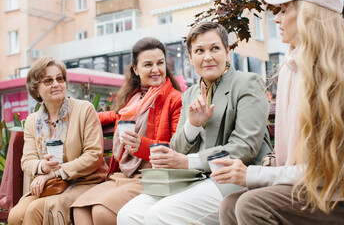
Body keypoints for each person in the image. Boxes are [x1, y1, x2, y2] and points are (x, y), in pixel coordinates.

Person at [212, 0, 344, 224]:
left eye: (284, 9)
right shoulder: (294, 66)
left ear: (308, 15)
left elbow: (322, 174)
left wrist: (252, 174)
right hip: (317, 186)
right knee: (230, 204)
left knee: (252, 205)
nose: (277, 18)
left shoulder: (337, 77)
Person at [117, 22, 272, 224]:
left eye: (214, 48)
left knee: (161, 215)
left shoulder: (247, 83)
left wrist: (189, 161)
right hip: (195, 179)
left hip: (235, 178)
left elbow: (245, 147)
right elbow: (176, 148)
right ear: (191, 58)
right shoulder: (190, 93)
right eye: (199, 50)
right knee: (128, 215)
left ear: (227, 52)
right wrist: (193, 124)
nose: (207, 57)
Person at [71, 37, 182, 225]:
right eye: (148, 64)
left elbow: (177, 148)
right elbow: (115, 116)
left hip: (151, 176)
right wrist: (80, 117)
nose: (156, 69)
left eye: (160, 63)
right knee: (79, 209)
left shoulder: (175, 100)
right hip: (123, 175)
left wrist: (142, 145)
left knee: (101, 212)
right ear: (136, 69)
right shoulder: (133, 100)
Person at [8, 57, 107, 225]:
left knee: (36, 210)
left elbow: (94, 155)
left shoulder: (84, 109)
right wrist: (42, 167)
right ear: (36, 89)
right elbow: (27, 160)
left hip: (84, 182)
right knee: (15, 216)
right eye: (48, 80)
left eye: (59, 78)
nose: (56, 84)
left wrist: (55, 172)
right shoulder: (33, 121)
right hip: (50, 186)